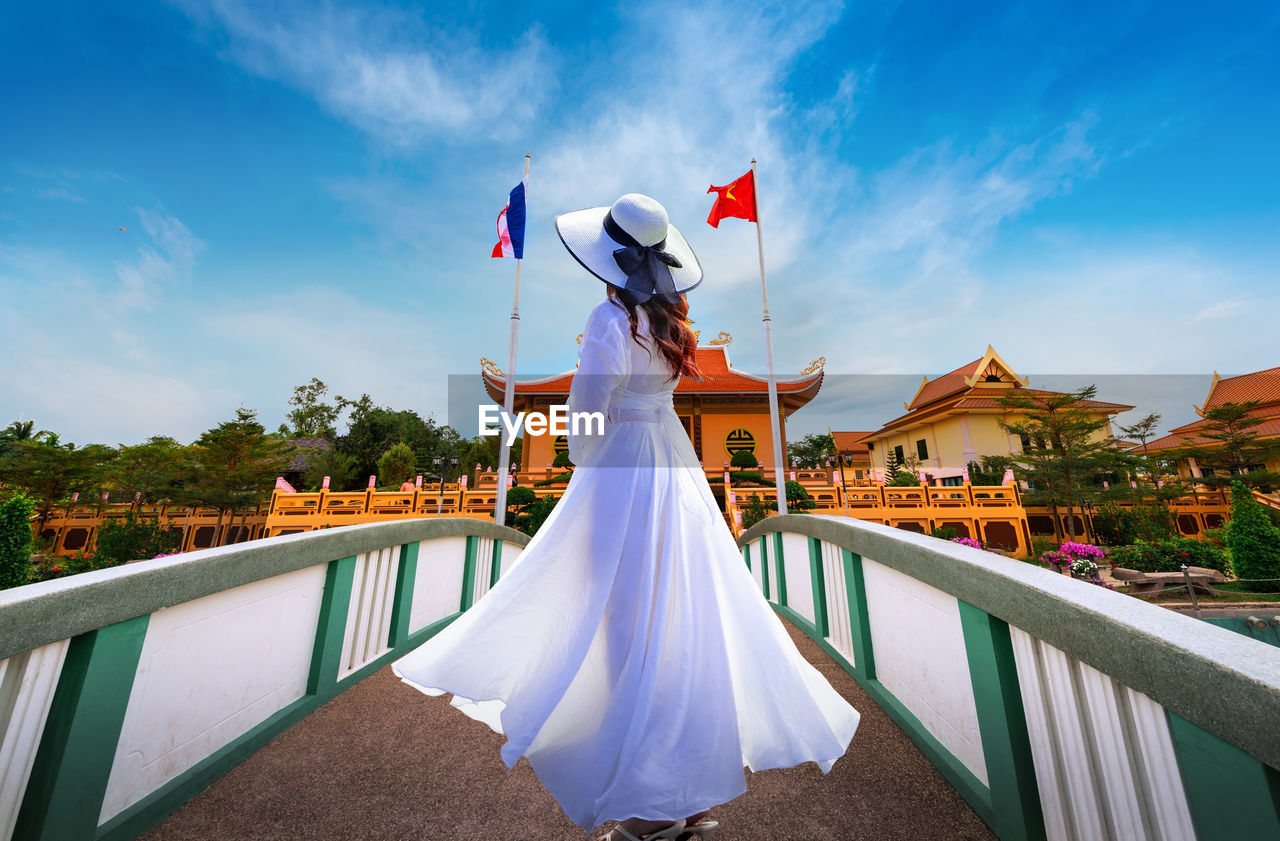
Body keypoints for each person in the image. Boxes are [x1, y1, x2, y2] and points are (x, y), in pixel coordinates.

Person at [392, 193, 859, 841]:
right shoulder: (670, 324)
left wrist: (587, 458)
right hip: (677, 471)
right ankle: (688, 796)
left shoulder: (611, 321)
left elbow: (584, 420)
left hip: (625, 475)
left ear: (609, 259)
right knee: (681, 625)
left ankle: (652, 809)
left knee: (624, 630)